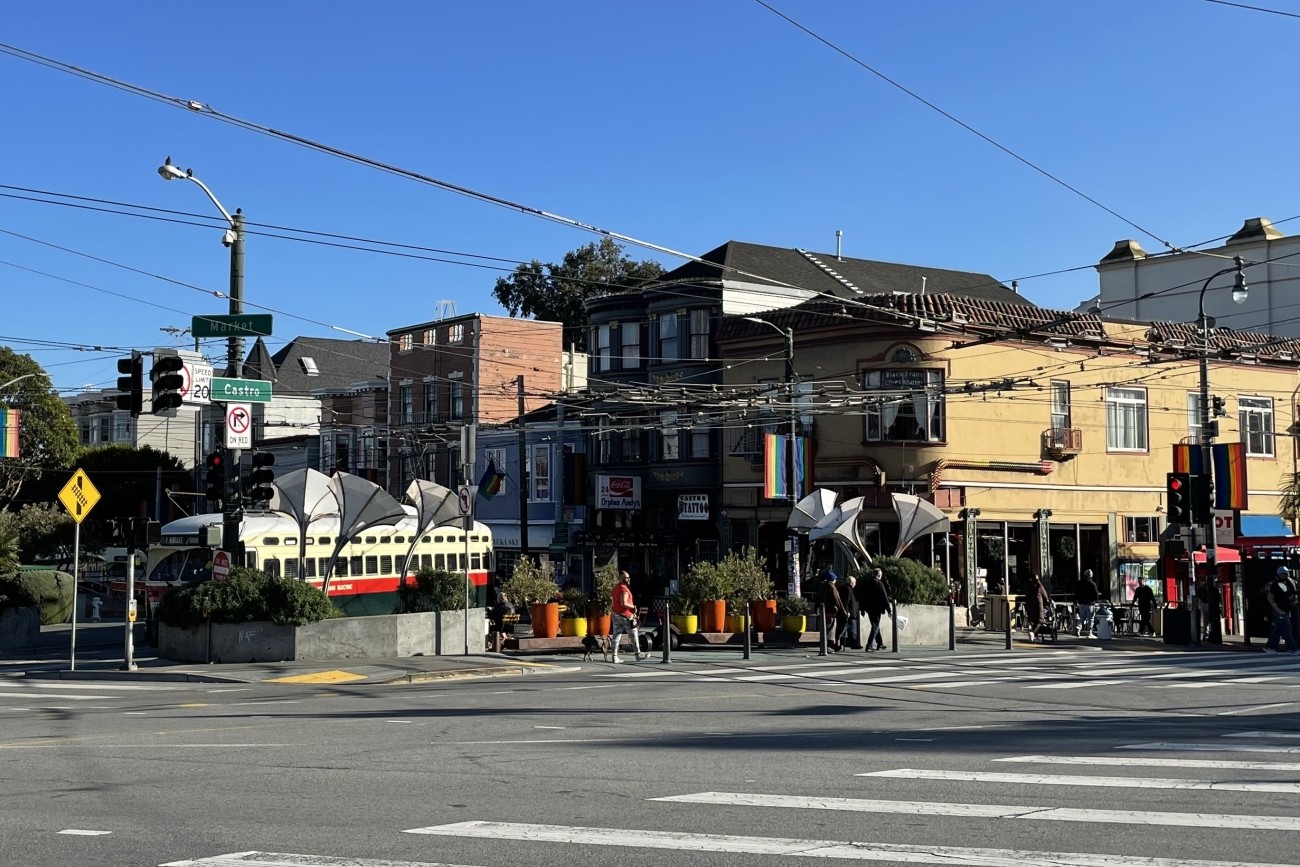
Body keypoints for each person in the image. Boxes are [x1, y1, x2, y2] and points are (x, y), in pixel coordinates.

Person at [609, 570, 647, 663]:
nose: (628, 579)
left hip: (616, 614)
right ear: (621, 578)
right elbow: (624, 603)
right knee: (633, 634)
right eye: (626, 577)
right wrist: (633, 607)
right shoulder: (624, 589)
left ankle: (614, 656)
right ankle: (638, 654)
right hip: (626, 615)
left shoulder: (615, 588)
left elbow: (614, 601)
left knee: (616, 636)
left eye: (628, 577)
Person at [1264, 566, 1297, 655]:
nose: (1288, 574)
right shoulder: (1276, 584)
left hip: (1285, 609)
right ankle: (1293, 648)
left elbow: (1293, 593)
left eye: (1288, 573)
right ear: (1280, 574)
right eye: (1286, 573)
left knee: (1278, 629)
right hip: (1280, 610)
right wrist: (1277, 609)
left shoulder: (1288, 582)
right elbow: (1270, 598)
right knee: (1287, 628)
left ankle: (1270, 646)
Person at [861, 568, 891, 651]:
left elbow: (862, 597)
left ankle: (880, 643)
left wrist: (862, 609)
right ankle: (869, 645)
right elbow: (884, 597)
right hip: (877, 609)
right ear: (879, 575)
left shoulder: (867, 583)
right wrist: (889, 610)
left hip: (869, 608)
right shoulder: (879, 584)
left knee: (875, 625)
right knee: (875, 626)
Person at [818, 570, 847, 651]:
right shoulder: (832, 588)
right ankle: (829, 645)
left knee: (827, 627)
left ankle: (830, 644)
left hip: (824, 610)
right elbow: (838, 601)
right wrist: (843, 611)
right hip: (832, 611)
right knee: (831, 628)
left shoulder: (823, 587)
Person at [1024, 574, 1052, 642]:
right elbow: (1045, 595)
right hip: (1038, 605)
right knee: (1040, 620)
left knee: (1033, 621)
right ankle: (1033, 632)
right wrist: (1047, 601)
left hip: (1030, 605)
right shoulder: (1039, 586)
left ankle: (1036, 637)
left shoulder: (1028, 586)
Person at [839, 574, 861, 649]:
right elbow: (846, 601)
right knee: (850, 629)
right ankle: (853, 644)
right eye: (854, 583)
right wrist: (847, 611)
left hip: (849, 612)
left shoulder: (844, 588)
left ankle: (844, 643)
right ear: (851, 583)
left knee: (846, 628)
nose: (855, 584)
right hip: (850, 613)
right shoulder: (848, 589)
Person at [1075, 569, 1100, 637]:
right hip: (1090, 603)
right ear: (1091, 575)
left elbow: (1076, 593)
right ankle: (1090, 632)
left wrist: (1075, 601)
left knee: (1082, 617)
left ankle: (1078, 627)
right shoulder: (1093, 584)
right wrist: (1095, 600)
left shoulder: (1079, 583)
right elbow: (1096, 594)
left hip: (1081, 603)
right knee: (1090, 618)